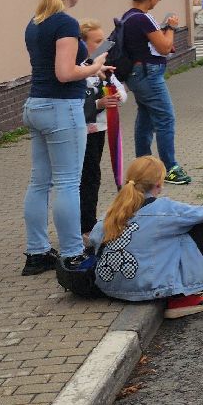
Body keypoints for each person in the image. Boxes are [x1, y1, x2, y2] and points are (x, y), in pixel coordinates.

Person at [21, 0, 111, 275]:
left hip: (36, 104)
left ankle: (37, 252)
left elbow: (52, 68)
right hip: (62, 109)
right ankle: (73, 255)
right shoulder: (66, 23)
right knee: (69, 183)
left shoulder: (35, 23)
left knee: (39, 182)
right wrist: (93, 66)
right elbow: (65, 73)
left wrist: (85, 66)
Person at [89, 156, 203, 319]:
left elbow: (94, 240)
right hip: (148, 286)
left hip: (109, 286)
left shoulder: (112, 211)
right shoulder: (165, 209)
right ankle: (183, 297)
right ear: (159, 184)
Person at [121, 0, 192, 185]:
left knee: (145, 119)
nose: (159, 0)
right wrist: (170, 27)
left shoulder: (128, 17)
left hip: (137, 74)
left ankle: (142, 166)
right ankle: (169, 168)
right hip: (148, 74)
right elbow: (163, 47)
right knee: (165, 119)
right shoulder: (143, 19)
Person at [78, 20, 128, 241]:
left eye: (103, 41)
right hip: (82, 131)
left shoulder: (101, 67)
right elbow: (74, 103)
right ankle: (84, 225)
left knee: (93, 176)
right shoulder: (78, 68)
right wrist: (99, 104)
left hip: (99, 129)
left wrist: (114, 93)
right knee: (86, 178)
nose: (103, 46)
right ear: (82, 44)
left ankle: (88, 222)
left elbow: (123, 95)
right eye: (97, 42)